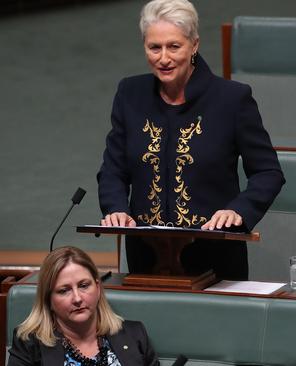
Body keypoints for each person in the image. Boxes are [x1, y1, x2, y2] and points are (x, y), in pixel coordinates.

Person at [97, 0, 285, 279]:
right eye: (154, 47)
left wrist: (238, 212)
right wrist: (116, 210)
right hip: (146, 258)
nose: (163, 58)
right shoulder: (130, 94)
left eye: (174, 46)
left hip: (215, 257)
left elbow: (268, 172)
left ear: (194, 45)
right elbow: (113, 170)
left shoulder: (232, 99)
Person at [7, 246, 159, 366]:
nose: (77, 298)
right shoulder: (29, 343)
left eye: (84, 285)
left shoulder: (134, 335)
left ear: (98, 288)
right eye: (64, 290)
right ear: (48, 299)